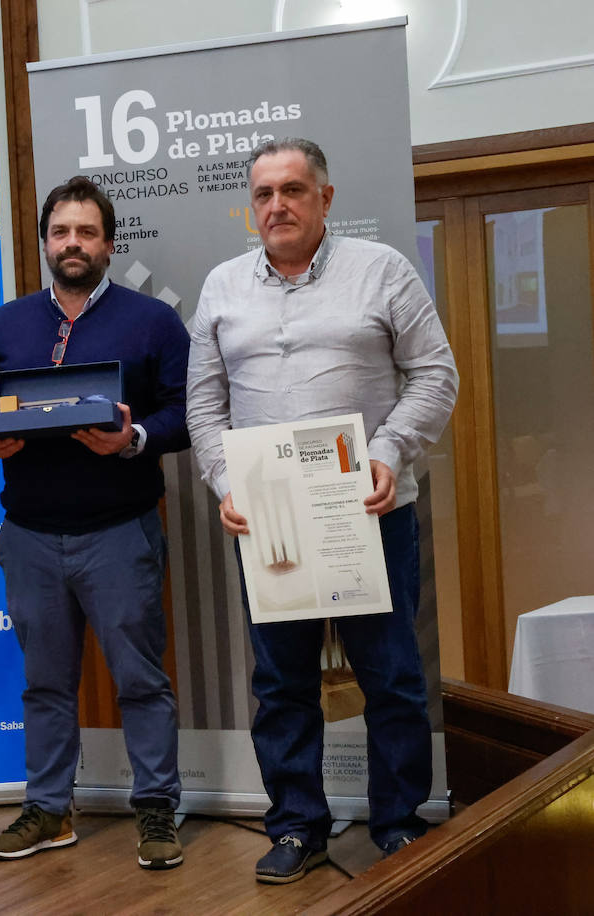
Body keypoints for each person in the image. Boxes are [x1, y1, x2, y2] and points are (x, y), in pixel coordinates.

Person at [186, 137, 459, 883]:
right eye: (265, 193)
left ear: (325, 198)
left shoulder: (383, 271)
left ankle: (398, 822)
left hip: (368, 511)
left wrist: (391, 450)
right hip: (268, 519)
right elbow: (204, 405)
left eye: (294, 190)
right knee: (282, 683)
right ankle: (298, 826)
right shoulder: (222, 287)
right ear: (252, 205)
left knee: (392, 675)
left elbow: (436, 373)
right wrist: (224, 483)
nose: (278, 205)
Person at [0, 176, 190, 870]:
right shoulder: (8, 323)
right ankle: (49, 809)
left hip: (121, 531)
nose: (73, 243)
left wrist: (136, 438)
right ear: (44, 243)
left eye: (86, 232)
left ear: (109, 244)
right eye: (61, 232)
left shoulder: (153, 321)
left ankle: (156, 809)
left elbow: (187, 411)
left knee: (142, 681)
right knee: (46, 685)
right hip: (28, 535)